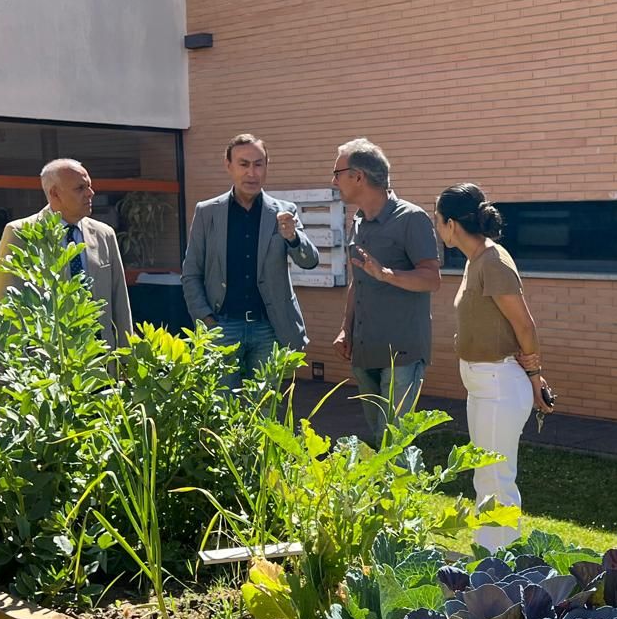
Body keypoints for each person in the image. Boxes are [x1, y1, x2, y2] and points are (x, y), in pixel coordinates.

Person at [433, 183, 554, 551]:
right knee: (485, 477)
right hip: (482, 385)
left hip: (500, 383)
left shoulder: (493, 261)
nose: (436, 227)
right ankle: (490, 555)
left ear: (451, 223)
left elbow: (525, 326)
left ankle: (499, 563)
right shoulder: (475, 261)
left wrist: (535, 377)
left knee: (497, 479)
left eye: (436, 220)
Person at [181, 133, 319, 388]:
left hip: (269, 327)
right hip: (222, 327)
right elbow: (191, 273)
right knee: (221, 409)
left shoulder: (283, 211)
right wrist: (206, 320)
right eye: (244, 164)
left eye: (258, 164)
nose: (252, 173)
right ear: (228, 165)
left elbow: (309, 261)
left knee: (264, 411)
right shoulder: (207, 212)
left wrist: (293, 237)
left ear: (267, 166)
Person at [331, 138, 442, 444]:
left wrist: (386, 274)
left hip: (402, 353)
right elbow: (360, 280)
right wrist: (346, 329)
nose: (334, 180)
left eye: (337, 172)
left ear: (358, 176)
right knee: (381, 440)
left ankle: (399, 491)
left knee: (393, 441)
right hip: (365, 349)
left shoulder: (412, 219)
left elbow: (432, 279)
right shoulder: (358, 221)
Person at [0, 158, 133, 347]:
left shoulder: (104, 234)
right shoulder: (21, 233)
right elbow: (9, 303)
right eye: (80, 188)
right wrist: (20, 364)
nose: (90, 193)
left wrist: (126, 357)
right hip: (48, 356)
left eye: (89, 186)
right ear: (54, 194)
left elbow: (119, 299)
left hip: (100, 354)